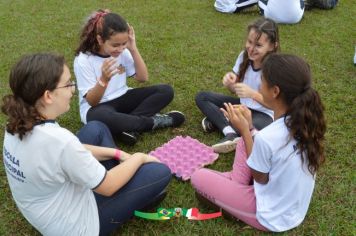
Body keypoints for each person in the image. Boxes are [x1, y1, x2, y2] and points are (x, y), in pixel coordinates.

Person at [1, 53, 172, 236]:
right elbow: (108, 186)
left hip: (46, 210)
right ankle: (136, 195)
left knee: (96, 128)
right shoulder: (60, 141)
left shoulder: (17, 124)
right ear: (48, 96)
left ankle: (132, 191)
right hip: (78, 226)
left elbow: (69, 151)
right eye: (68, 84)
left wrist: (117, 154)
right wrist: (139, 157)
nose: (73, 90)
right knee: (159, 171)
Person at [191, 53, 326, 232]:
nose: (258, 85)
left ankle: (234, 200)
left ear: (275, 91)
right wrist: (251, 129)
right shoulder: (305, 121)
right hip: (292, 207)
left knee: (198, 177)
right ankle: (234, 183)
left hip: (269, 215)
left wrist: (245, 130)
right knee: (245, 142)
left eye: (262, 80)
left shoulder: (269, 137)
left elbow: (260, 178)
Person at [74, 9, 185, 145]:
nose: (120, 49)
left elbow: (142, 78)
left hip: (123, 96)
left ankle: (129, 126)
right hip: (98, 108)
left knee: (165, 91)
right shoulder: (83, 60)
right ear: (100, 39)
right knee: (101, 118)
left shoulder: (123, 51)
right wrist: (103, 80)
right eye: (115, 45)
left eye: (123, 44)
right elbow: (92, 102)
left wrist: (133, 49)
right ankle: (155, 122)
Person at [195, 18, 279, 153]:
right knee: (202, 97)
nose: (251, 49)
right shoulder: (244, 56)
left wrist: (252, 94)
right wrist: (230, 83)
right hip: (242, 106)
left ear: (272, 46)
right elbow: (236, 90)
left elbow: (276, 106)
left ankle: (221, 121)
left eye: (258, 45)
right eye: (249, 42)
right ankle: (230, 132)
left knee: (255, 132)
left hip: (263, 114)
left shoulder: (274, 68)